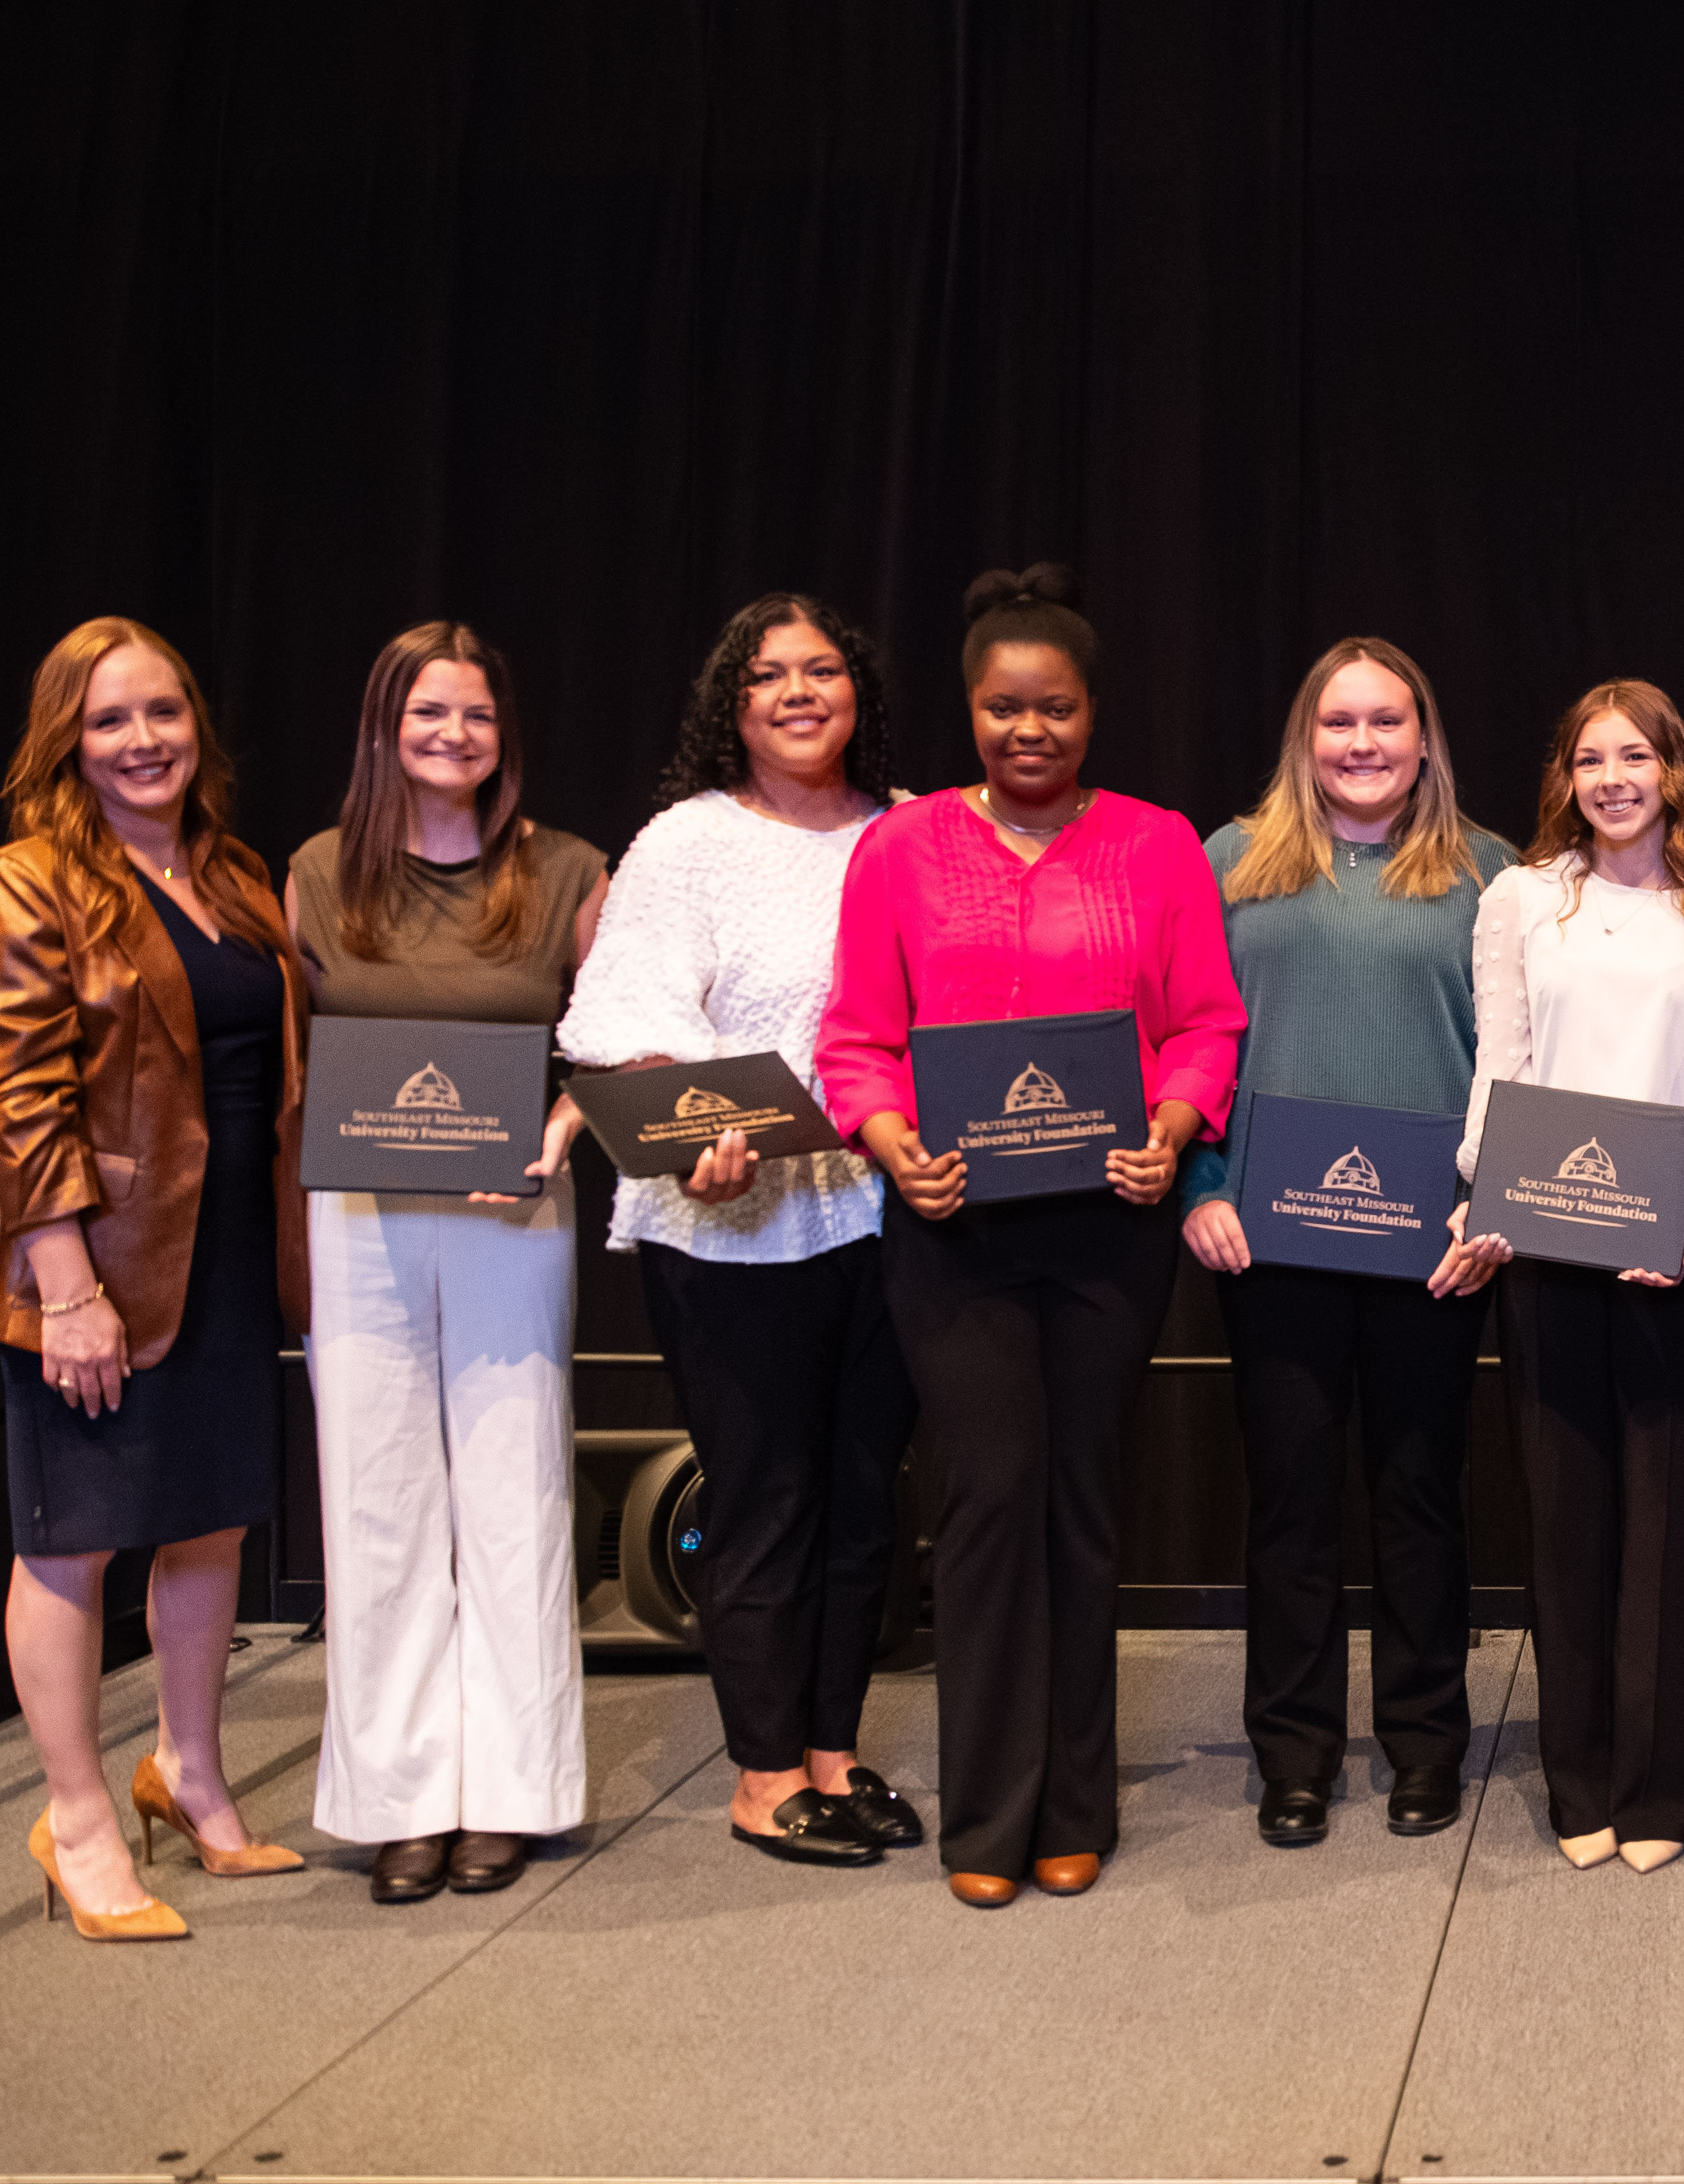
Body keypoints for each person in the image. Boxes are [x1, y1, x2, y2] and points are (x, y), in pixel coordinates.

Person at [817, 564, 1245, 1908]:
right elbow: (855, 1039)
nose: (1027, 732)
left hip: (1109, 1227)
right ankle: (986, 1815)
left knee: (1078, 1507)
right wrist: (894, 1148)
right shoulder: (898, 849)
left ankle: (1075, 1802)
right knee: (986, 1501)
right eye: (1003, 709)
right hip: (952, 1233)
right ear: (969, 711)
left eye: (1052, 708)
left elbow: (1204, 1023)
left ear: (1090, 714)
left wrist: (1170, 1134)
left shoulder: (1156, 844)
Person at [0, 618, 310, 1941]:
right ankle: (79, 1819)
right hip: (91, 1260)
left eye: (163, 712)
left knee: (208, 1520)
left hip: (218, 1253)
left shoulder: (235, 872)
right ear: (67, 741)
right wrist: (67, 1286)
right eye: (109, 721)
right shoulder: (22, 880)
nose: (143, 740)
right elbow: (16, 1096)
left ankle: (191, 1775)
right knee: (72, 1540)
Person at [557, 593, 922, 1869]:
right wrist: (691, 1122)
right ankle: (764, 1776)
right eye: (770, 676)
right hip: (729, 1227)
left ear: (857, 689)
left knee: (862, 1499)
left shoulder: (913, 831)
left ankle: (834, 1749)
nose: (800, 691)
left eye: (823, 668)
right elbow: (624, 1017)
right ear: (734, 702)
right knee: (764, 1498)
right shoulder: (686, 843)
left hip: (884, 1216)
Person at [289, 622, 607, 1906]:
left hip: (509, 1207)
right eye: (428, 714)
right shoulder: (316, 872)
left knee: (514, 1485)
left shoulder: (566, 867)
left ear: (503, 733)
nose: (452, 736)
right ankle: (399, 1798)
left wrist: (557, 1133)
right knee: (375, 1501)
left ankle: (512, 1793)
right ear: (385, 726)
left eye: (474, 716)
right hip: (358, 1214)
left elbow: (615, 1038)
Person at [1178, 638, 1511, 1850]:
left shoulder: (1493, 876)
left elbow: (1519, 1059)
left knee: (1421, 1499)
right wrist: (1198, 1187)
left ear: (1424, 737)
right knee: (1291, 1507)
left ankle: (1425, 1744)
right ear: (1302, 738)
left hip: (1437, 1246)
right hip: (1266, 1245)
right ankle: (1296, 1754)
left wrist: (1500, 1209)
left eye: (1385, 721)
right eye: (1338, 724)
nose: (1361, 744)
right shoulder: (1226, 864)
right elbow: (1187, 1039)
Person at [1454, 679, 1684, 1873]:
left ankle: (1658, 1792)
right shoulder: (1523, 899)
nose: (1612, 779)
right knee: (1567, 1518)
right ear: (1566, 777)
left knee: (1669, 1529)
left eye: (1635, 756)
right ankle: (1578, 1777)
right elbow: (1502, 1061)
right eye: (1591, 760)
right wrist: (1498, 1188)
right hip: (1544, 1244)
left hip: (1675, 1252)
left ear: (1673, 771)